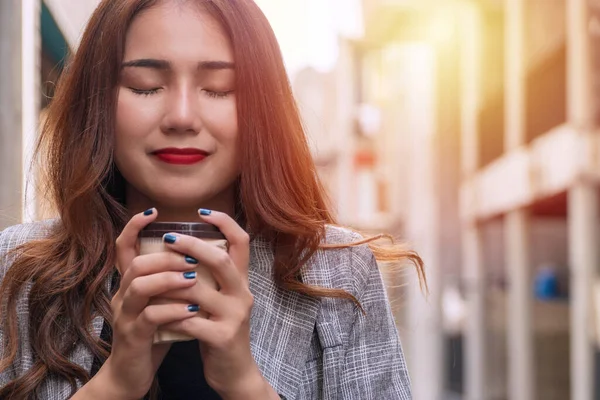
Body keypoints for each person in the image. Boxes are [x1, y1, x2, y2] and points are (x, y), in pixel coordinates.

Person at [0, 0, 425, 399]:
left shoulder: (340, 273)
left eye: (219, 87)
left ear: (262, 107)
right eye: (146, 86)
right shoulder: (15, 268)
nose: (182, 116)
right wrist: (114, 384)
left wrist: (244, 383)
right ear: (98, 103)